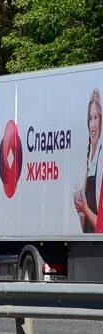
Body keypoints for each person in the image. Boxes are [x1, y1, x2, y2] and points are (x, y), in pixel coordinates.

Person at [76, 90, 102, 232]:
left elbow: (100, 226)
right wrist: (81, 210)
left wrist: (84, 209)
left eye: (96, 117)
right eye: (90, 118)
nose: (92, 124)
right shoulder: (87, 162)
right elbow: (84, 229)